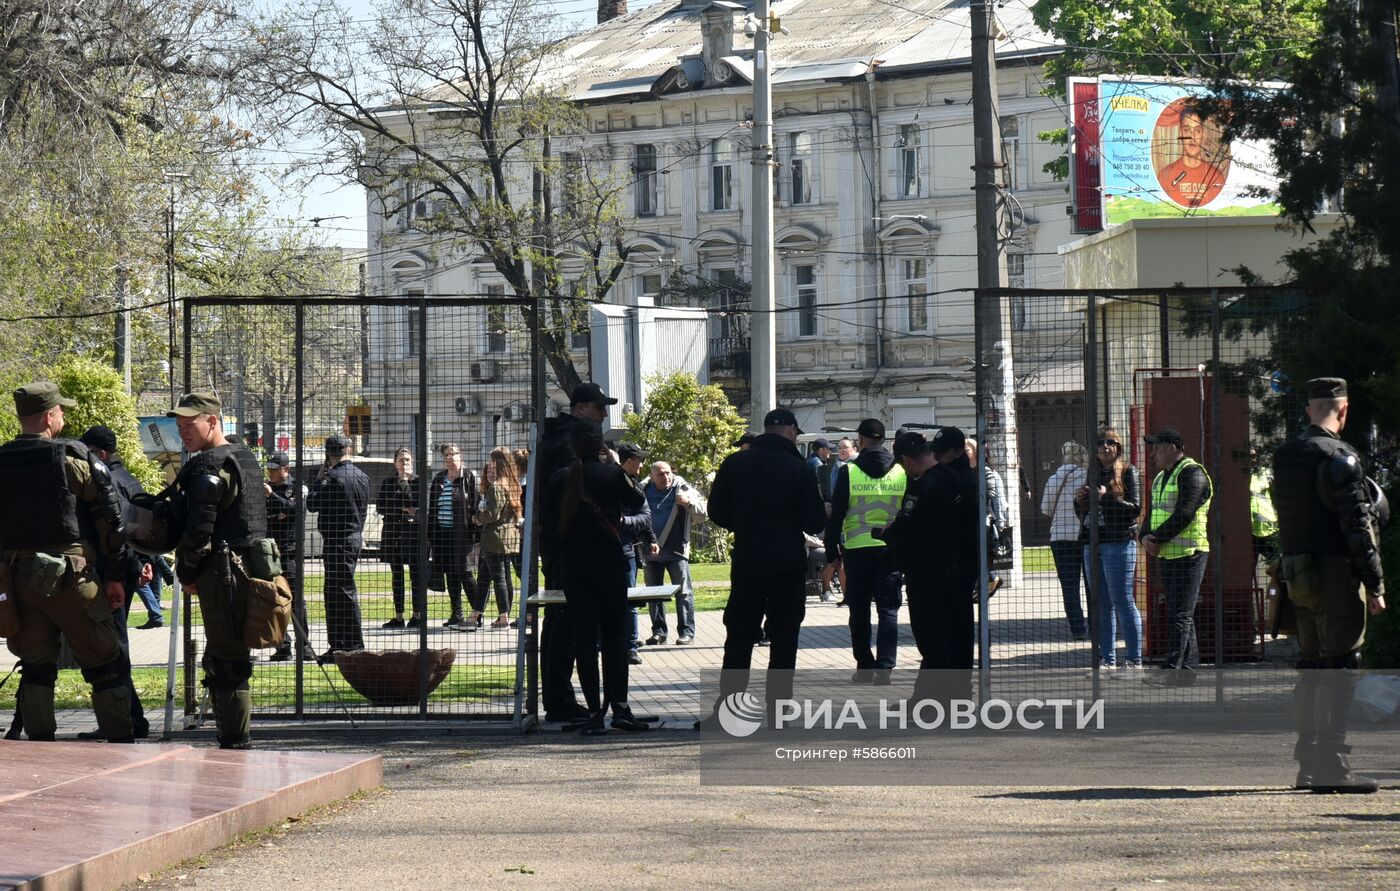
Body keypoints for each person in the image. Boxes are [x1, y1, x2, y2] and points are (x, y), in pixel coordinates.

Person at [0, 383, 134, 743]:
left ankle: (41, 748)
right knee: (103, 660)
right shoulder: (72, 460)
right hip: (72, 578)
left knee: (36, 667)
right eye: (60, 410)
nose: (63, 416)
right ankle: (121, 741)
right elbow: (111, 522)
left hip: (18, 581)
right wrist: (115, 576)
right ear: (48, 416)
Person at [1273, 377, 1387, 793]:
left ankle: (1307, 764)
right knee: (1341, 666)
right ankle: (1333, 768)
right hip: (1336, 575)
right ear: (1344, 409)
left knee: (1311, 666)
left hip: (1297, 575)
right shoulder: (1340, 458)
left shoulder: (1286, 455)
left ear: (1308, 409)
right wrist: (1375, 584)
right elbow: (1358, 529)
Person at [168, 390, 280, 748]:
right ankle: (233, 736)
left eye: (190, 425)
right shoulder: (244, 457)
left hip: (225, 572)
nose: (183, 432)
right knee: (225, 654)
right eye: (180, 426)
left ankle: (235, 741)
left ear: (212, 421)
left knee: (227, 659)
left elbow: (200, 531)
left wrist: (186, 572)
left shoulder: (210, 466)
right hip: (251, 566)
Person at [707, 408, 826, 721]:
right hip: (787, 562)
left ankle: (730, 707)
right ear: (789, 431)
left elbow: (717, 511)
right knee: (785, 635)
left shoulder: (735, 463)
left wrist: (746, 525)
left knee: (740, 634)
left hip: (748, 560)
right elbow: (813, 519)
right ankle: (779, 709)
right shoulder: (798, 468)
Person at [539, 420, 649, 736]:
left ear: (572, 446)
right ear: (601, 446)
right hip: (610, 566)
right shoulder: (613, 475)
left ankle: (594, 713)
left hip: (576, 569)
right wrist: (614, 466)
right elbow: (638, 500)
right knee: (614, 638)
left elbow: (548, 520)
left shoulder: (560, 479)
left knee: (586, 640)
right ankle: (621, 708)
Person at [535, 382, 616, 722]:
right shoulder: (572, 446)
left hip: (557, 545)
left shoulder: (556, 440)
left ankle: (558, 697)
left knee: (558, 621)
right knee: (566, 624)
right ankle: (560, 700)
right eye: (599, 407)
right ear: (580, 408)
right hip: (570, 549)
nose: (604, 414)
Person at [878, 428, 979, 701]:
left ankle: (930, 702)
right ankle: (952, 697)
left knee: (931, 639)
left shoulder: (924, 486)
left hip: (927, 573)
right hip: (955, 569)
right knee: (954, 636)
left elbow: (908, 529)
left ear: (907, 460)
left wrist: (886, 532)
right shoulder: (954, 477)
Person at [75, 425, 153, 740]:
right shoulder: (129, 479)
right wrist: (144, 562)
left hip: (115, 573)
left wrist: (117, 575)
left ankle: (127, 718)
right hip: (128, 567)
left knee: (113, 647)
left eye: (89, 453)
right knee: (116, 644)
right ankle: (131, 716)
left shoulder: (108, 481)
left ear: (101, 454)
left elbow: (114, 532)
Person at [825, 418, 905, 684]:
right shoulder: (900, 471)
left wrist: (831, 550)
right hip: (891, 548)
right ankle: (885, 668)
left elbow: (836, 515)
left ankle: (864, 666)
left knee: (859, 611)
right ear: (884, 439)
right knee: (889, 609)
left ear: (860, 440)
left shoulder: (850, 471)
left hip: (857, 549)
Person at [1139, 427, 1213, 687]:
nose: (1153, 453)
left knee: (1179, 615)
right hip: (1167, 554)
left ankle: (1172, 671)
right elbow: (1151, 513)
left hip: (1190, 553)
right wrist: (1144, 536)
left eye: (1157, 447)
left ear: (1172, 447)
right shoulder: (1161, 477)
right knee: (1181, 614)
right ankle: (1187, 672)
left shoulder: (1192, 473)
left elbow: (1185, 513)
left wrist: (1155, 539)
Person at [1075, 427, 1142, 676]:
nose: (1105, 446)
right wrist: (1080, 500)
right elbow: (1085, 514)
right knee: (1100, 604)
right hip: (1092, 545)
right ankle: (1107, 660)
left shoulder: (1128, 471)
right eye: (1100, 442)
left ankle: (1134, 661)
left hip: (1119, 544)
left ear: (1119, 446)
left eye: (1111, 442)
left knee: (1122, 601)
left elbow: (1135, 508)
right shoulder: (1092, 474)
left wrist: (1106, 498)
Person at [306, 433, 370, 662]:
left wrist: (319, 478)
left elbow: (311, 503)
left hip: (337, 540)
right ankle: (348, 644)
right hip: (353, 536)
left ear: (328, 453)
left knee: (337, 593)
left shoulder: (331, 478)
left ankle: (346, 644)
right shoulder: (361, 476)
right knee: (343, 590)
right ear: (349, 450)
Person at [642, 460, 708, 646]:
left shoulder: (682, 487)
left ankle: (686, 632)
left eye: (668, 473)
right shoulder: (644, 488)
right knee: (653, 594)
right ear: (652, 476)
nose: (666, 477)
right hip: (650, 551)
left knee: (684, 592)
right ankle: (659, 633)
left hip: (677, 550)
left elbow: (705, 510)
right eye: (661, 474)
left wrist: (689, 503)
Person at [264, 451, 314, 662]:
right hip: (269, 552)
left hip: (291, 550)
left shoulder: (297, 487)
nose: (271, 472)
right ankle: (282, 644)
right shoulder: (264, 487)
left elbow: (294, 510)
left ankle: (305, 647)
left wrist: (272, 499)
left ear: (286, 469)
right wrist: (278, 511)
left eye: (275, 469)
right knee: (274, 600)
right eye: (269, 469)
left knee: (295, 599)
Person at [428, 442, 480, 630]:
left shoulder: (469, 477)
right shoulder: (439, 479)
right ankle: (456, 613)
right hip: (443, 534)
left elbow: (475, 504)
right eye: (445, 455)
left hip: (463, 534)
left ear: (461, 456)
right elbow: (433, 506)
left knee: (464, 573)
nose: (449, 458)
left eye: (452, 454)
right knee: (450, 573)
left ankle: (477, 613)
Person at [1042, 440, 1089, 640]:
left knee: (1069, 585)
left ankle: (1078, 629)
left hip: (1060, 537)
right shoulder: (1087, 477)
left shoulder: (1053, 479)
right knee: (1090, 583)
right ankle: (1096, 626)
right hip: (1084, 535)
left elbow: (1045, 509)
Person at [614, 442, 655, 665]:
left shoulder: (636, 487)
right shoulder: (610, 482)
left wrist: (624, 522)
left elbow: (645, 517)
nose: (642, 464)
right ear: (629, 461)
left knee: (629, 601)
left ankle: (630, 646)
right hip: (607, 552)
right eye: (640, 459)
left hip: (626, 551)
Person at [474, 447, 522, 630]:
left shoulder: (497, 486)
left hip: (496, 537)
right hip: (509, 537)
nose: (490, 464)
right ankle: (476, 613)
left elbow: (492, 515)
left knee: (499, 578)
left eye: (492, 460)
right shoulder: (512, 484)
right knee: (491, 577)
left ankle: (503, 617)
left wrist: (478, 518)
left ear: (498, 462)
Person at [376, 447, 421, 630]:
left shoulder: (418, 482)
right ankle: (398, 615)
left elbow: (417, 504)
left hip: (413, 534)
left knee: (415, 574)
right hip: (393, 532)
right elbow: (381, 506)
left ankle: (417, 614)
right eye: (402, 460)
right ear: (395, 462)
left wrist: (405, 483)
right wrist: (402, 509)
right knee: (397, 574)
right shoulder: (388, 482)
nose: (405, 463)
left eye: (408, 460)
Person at [1158, 105, 1227, 208]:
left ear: (1203, 134)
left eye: (1197, 131)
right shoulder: (1165, 176)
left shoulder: (1216, 178)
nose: (1192, 137)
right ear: (1181, 133)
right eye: (1187, 130)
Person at [965, 436, 1009, 595]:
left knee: (980, 557)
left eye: (967, 450)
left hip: (983, 524)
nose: (964, 453)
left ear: (975, 452)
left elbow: (995, 499)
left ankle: (989, 582)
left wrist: (1001, 523)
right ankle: (988, 582)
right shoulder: (966, 472)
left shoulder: (986, 471)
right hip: (970, 524)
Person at [818, 437, 854, 602]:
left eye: (845, 447)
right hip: (838, 520)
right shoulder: (837, 466)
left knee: (840, 561)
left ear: (853, 449)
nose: (841, 450)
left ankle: (846, 594)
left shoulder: (853, 467)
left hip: (850, 521)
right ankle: (829, 591)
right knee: (837, 560)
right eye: (839, 447)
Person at [1249, 447, 1279, 568]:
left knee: (1278, 566)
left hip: (1268, 529)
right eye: (1248, 456)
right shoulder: (1237, 476)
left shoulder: (1264, 473)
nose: (1251, 459)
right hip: (1248, 531)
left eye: (1253, 456)